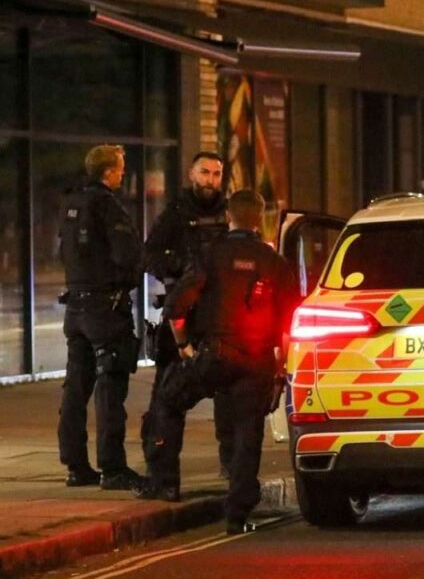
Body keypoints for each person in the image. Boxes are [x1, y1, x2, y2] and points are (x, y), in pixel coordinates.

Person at [136, 190, 298, 535]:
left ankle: (165, 482)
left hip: (213, 356)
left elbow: (176, 308)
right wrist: (280, 367)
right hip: (256, 361)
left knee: (167, 401)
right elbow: (289, 322)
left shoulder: (210, 255)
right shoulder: (275, 263)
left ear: (229, 216)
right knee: (247, 432)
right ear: (261, 219)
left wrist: (185, 349)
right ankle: (237, 514)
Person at [58, 144, 144, 489]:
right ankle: (112, 468)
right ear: (109, 172)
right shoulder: (108, 206)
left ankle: (76, 466)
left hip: (76, 306)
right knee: (110, 387)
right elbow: (128, 256)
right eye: (120, 168)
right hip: (105, 309)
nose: (123, 173)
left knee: (75, 388)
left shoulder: (72, 203)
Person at [143, 152, 234, 478]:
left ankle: (231, 465)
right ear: (191, 174)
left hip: (221, 315)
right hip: (182, 314)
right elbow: (149, 255)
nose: (210, 179)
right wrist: (183, 268)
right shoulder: (176, 214)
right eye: (204, 172)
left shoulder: (228, 213)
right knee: (167, 395)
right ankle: (162, 473)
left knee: (229, 395)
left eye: (216, 174)